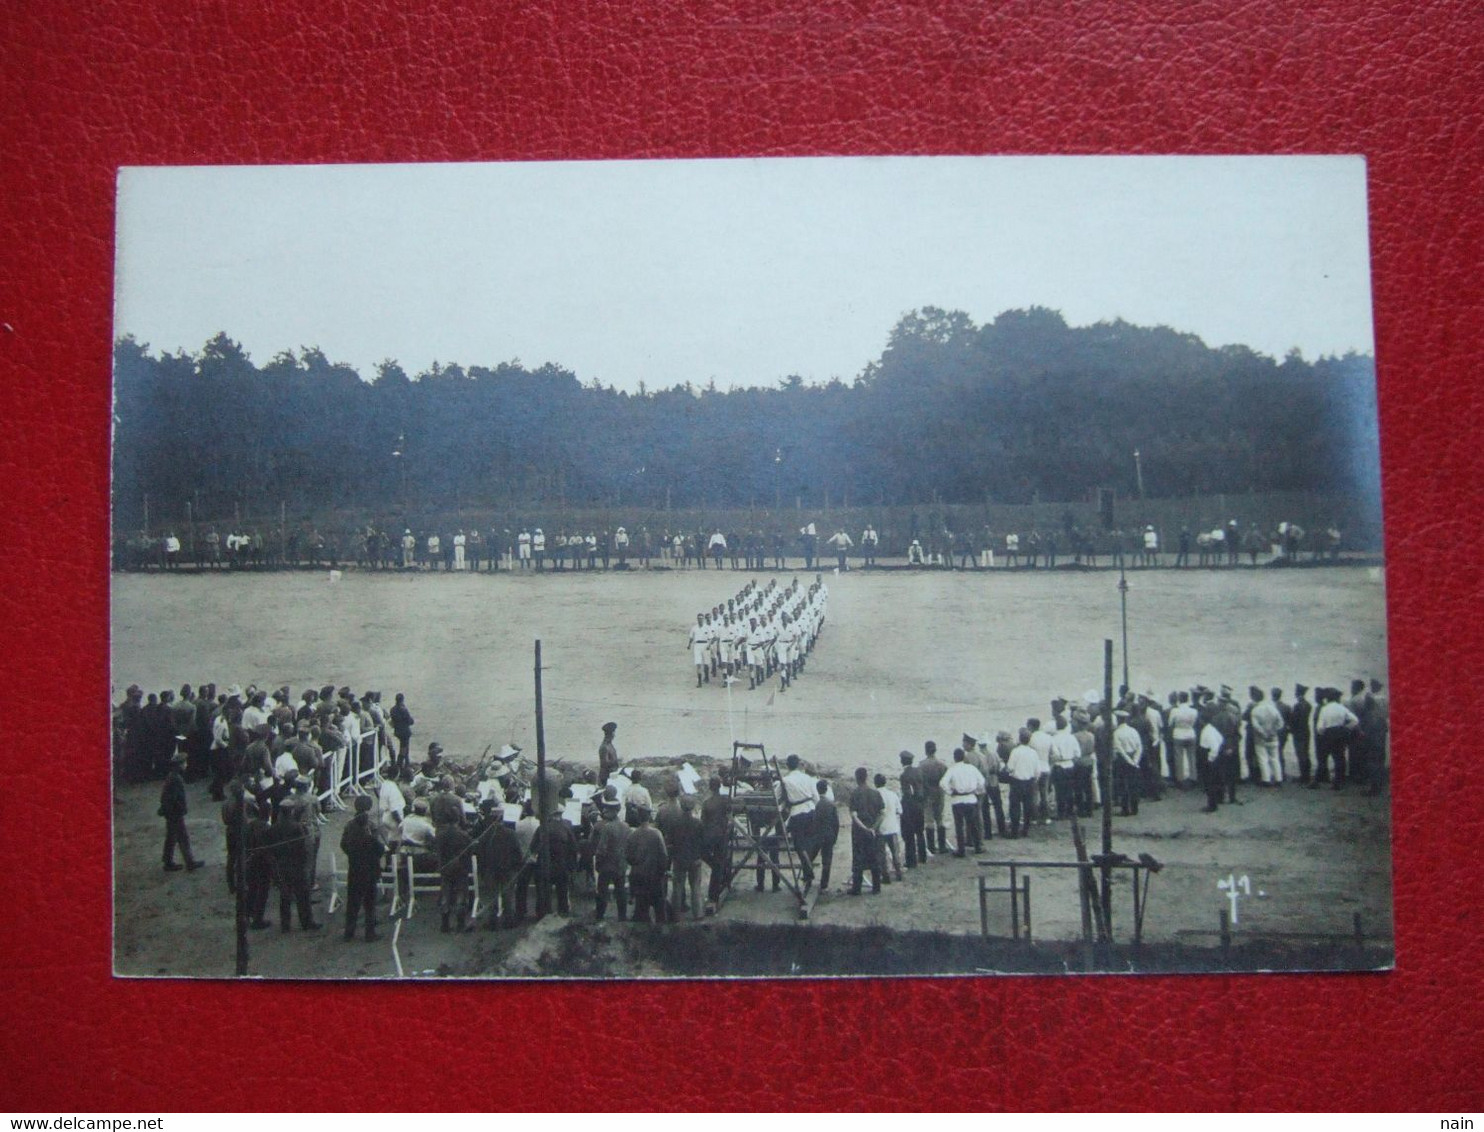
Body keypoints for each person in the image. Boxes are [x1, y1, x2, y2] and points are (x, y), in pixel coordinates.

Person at [340, 795, 384, 941]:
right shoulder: (371, 828)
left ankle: (349, 932)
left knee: (353, 902)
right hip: (370, 869)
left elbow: (343, 844)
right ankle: (370, 933)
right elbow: (379, 849)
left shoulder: (349, 826)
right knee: (370, 903)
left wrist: (352, 855)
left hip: (354, 868)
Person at [159, 748, 203, 872]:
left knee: (171, 837)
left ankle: (168, 861)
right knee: (182, 838)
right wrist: (180, 809)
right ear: (179, 765)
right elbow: (173, 798)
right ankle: (189, 862)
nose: (186, 765)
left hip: (171, 813)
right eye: (184, 763)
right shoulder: (176, 779)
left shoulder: (172, 777)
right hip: (175, 813)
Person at [624, 807, 669, 924]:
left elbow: (628, 857)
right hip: (655, 875)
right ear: (649, 817)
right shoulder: (656, 834)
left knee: (641, 908)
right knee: (659, 909)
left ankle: (642, 931)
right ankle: (661, 931)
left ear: (638, 818)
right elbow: (663, 855)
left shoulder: (632, 835)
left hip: (639, 875)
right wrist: (662, 871)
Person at [778, 754, 817, 887]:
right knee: (808, 843)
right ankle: (807, 872)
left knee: (799, 845)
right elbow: (815, 797)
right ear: (799, 764)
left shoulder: (785, 780)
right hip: (810, 810)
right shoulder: (808, 778)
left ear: (787, 766)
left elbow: (777, 796)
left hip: (797, 813)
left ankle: (808, 871)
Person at [846, 767, 884, 895]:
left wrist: (864, 828)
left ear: (857, 778)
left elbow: (854, 816)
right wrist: (873, 828)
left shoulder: (855, 794)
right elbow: (882, 814)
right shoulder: (875, 793)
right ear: (866, 777)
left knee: (858, 859)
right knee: (874, 858)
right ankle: (876, 887)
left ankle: (857, 888)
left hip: (859, 832)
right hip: (874, 831)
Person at [941, 748, 986, 856]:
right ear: (964, 757)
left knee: (959, 826)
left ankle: (961, 850)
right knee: (973, 824)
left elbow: (942, 783)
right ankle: (977, 846)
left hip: (957, 800)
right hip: (971, 798)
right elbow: (982, 781)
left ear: (954, 758)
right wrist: (976, 790)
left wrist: (950, 791)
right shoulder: (971, 768)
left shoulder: (952, 769)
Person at [592, 799, 631, 921]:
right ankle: (622, 916)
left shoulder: (607, 828)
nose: (605, 812)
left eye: (608, 810)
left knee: (602, 891)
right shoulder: (626, 827)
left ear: (614, 811)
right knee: (620, 891)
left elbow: (601, 849)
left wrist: (598, 864)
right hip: (621, 864)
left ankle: (599, 916)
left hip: (607, 865)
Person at [670, 796, 706, 920]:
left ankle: (675, 915)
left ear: (681, 806)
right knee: (695, 886)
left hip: (679, 859)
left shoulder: (675, 823)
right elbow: (702, 842)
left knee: (677, 887)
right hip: (694, 858)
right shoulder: (698, 823)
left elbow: (671, 841)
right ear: (693, 807)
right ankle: (698, 913)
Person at [701, 776, 732, 914]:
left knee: (710, 859)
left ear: (710, 787)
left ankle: (718, 870)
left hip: (709, 837)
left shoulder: (706, 803)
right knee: (718, 863)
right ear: (719, 786)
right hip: (721, 836)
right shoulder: (725, 800)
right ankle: (714, 893)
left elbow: (703, 821)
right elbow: (730, 814)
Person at [1005, 729, 1040, 837]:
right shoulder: (1033, 752)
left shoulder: (1015, 752)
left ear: (1020, 739)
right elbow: (1037, 771)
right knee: (1027, 807)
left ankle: (1014, 831)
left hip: (1017, 782)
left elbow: (1010, 768)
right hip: (1029, 782)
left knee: (1015, 807)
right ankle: (1026, 829)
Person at [897, 750, 928, 868]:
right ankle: (923, 856)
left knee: (908, 834)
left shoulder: (904, 775)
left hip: (909, 807)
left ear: (902, 761)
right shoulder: (918, 771)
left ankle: (911, 860)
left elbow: (907, 793)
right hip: (919, 805)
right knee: (920, 832)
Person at [874, 773, 905, 881]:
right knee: (895, 852)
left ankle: (885, 875)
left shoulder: (875, 795)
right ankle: (898, 872)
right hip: (892, 826)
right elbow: (900, 811)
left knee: (882, 853)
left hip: (881, 827)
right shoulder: (892, 794)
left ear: (875, 783)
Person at [919, 741, 948, 854]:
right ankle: (942, 846)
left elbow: (920, 781)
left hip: (927, 794)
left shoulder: (922, 765)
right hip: (939, 792)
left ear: (926, 750)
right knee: (940, 819)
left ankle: (931, 847)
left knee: (929, 820)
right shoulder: (942, 764)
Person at [1290, 684, 1314, 785]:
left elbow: (1294, 720)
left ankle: (1303, 777)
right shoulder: (1308, 705)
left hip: (1298, 732)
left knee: (1300, 754)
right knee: (1306, 753)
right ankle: (1307, 775)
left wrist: (1290, 729)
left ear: (1297, 693)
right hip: (1306, 731)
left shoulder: (1297, 706)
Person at [389, 693, 414, 777]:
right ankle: (401, 766)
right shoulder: (403, 709)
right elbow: (410, 721)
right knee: (404, 750)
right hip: (405, 732)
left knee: (404, 749)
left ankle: (405, 765)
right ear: (402, 700)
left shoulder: (392, 709)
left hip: (398, 731)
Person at [597, 721, 619, 786]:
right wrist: (615, 761)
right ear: (611, 734)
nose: (614, 735)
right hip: (606, 778)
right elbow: (605, 764)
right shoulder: (604, 747)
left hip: (611, 775)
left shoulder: (610, 745)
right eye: (614, 733)